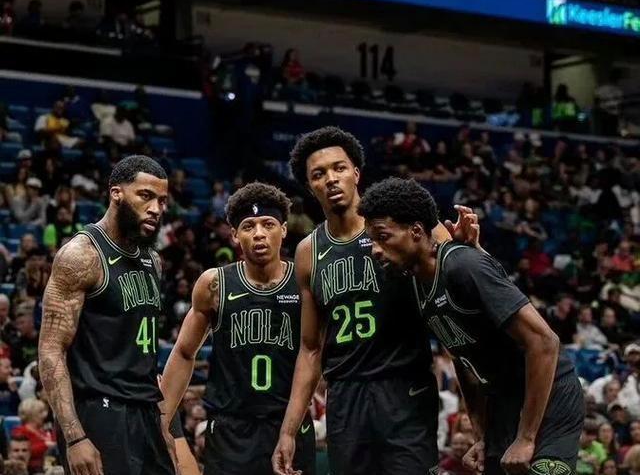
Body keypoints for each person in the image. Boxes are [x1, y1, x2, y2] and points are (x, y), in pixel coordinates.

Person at [273, 127, 480, 475]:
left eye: (339, 168)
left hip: (405, 388)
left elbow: (462, 313)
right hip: (345, 397)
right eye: (319, 174)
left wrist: (471, 251)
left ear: (356, 173)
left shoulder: (408, 224)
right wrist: (288, 430)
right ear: (310, 186)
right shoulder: (308, 252)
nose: (331, 179)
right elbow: (310, 348)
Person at [358, 177, 584, 475]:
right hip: (503, 401)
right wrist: (481, 434)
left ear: (416, 231)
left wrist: (526, 438)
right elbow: (462, 361)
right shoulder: (416, 283)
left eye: (383, 237)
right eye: (371, 241)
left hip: (548, 396)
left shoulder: (463, 265)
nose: (375, 250)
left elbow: (545, 342)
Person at [161, 182, 316, 475]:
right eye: (248, 226)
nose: (258, 233)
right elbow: (183, 352)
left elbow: (315, 353)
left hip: (289, 424)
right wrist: (163, 422)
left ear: (283, 230)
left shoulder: (305, 282)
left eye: (268, 224)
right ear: (234, 235)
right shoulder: (214, 285)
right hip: (230, 430)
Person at [38, 155, 176, 475]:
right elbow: (51, 350)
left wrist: (163, 424)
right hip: (100, 411)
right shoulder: (82, 255)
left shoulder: (152, 260)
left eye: (162, 200)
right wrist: (75, 437)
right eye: (145, 196)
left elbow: (143, 355)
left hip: (145, 412)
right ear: (116, 194)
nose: (156, 209)